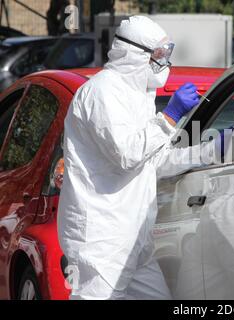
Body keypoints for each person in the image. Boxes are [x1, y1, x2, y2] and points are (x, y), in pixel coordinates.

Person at [57, 15, 215, 300]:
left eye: (167, 54)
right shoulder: (101, 92)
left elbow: (155, 161)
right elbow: (127, 154)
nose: (164, 62)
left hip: (134, 239)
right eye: (159, 55)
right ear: (134, 53)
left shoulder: (140, 95)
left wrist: (212, 150)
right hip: (100, 239)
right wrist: (169, 117)